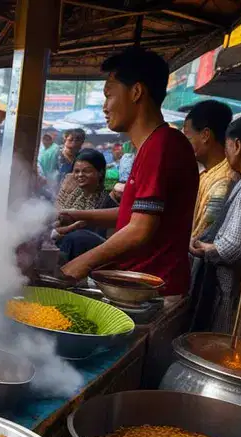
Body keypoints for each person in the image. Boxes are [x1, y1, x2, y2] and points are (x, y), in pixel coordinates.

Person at [58, 47, 199, 299]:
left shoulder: (161, 145)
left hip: (152, 290)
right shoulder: (152, 145)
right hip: (140, 282)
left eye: (109, 95)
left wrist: (79, 265)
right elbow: (135, 215)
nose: (105, 107)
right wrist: (74, 214)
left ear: (136, 92)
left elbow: (140, 229)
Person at [190, 115, 241, 333]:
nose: (225, 152)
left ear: (237, 146)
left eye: (227, 145)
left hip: (231, 289)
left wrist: (203, 248)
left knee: (220, 340)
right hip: (236, 288)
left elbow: (232, 247)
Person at [183, 100, 236, 240]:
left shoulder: (224, 181)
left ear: (205, 135)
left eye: (188, 137)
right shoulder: (206, 173)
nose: (184, 144)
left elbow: (204, 236)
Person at [52, 149, 118, 261]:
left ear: (100, 173)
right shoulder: (71, 195)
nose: (80, 175)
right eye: (76, 171)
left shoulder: (106, 203)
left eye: (86, 171)